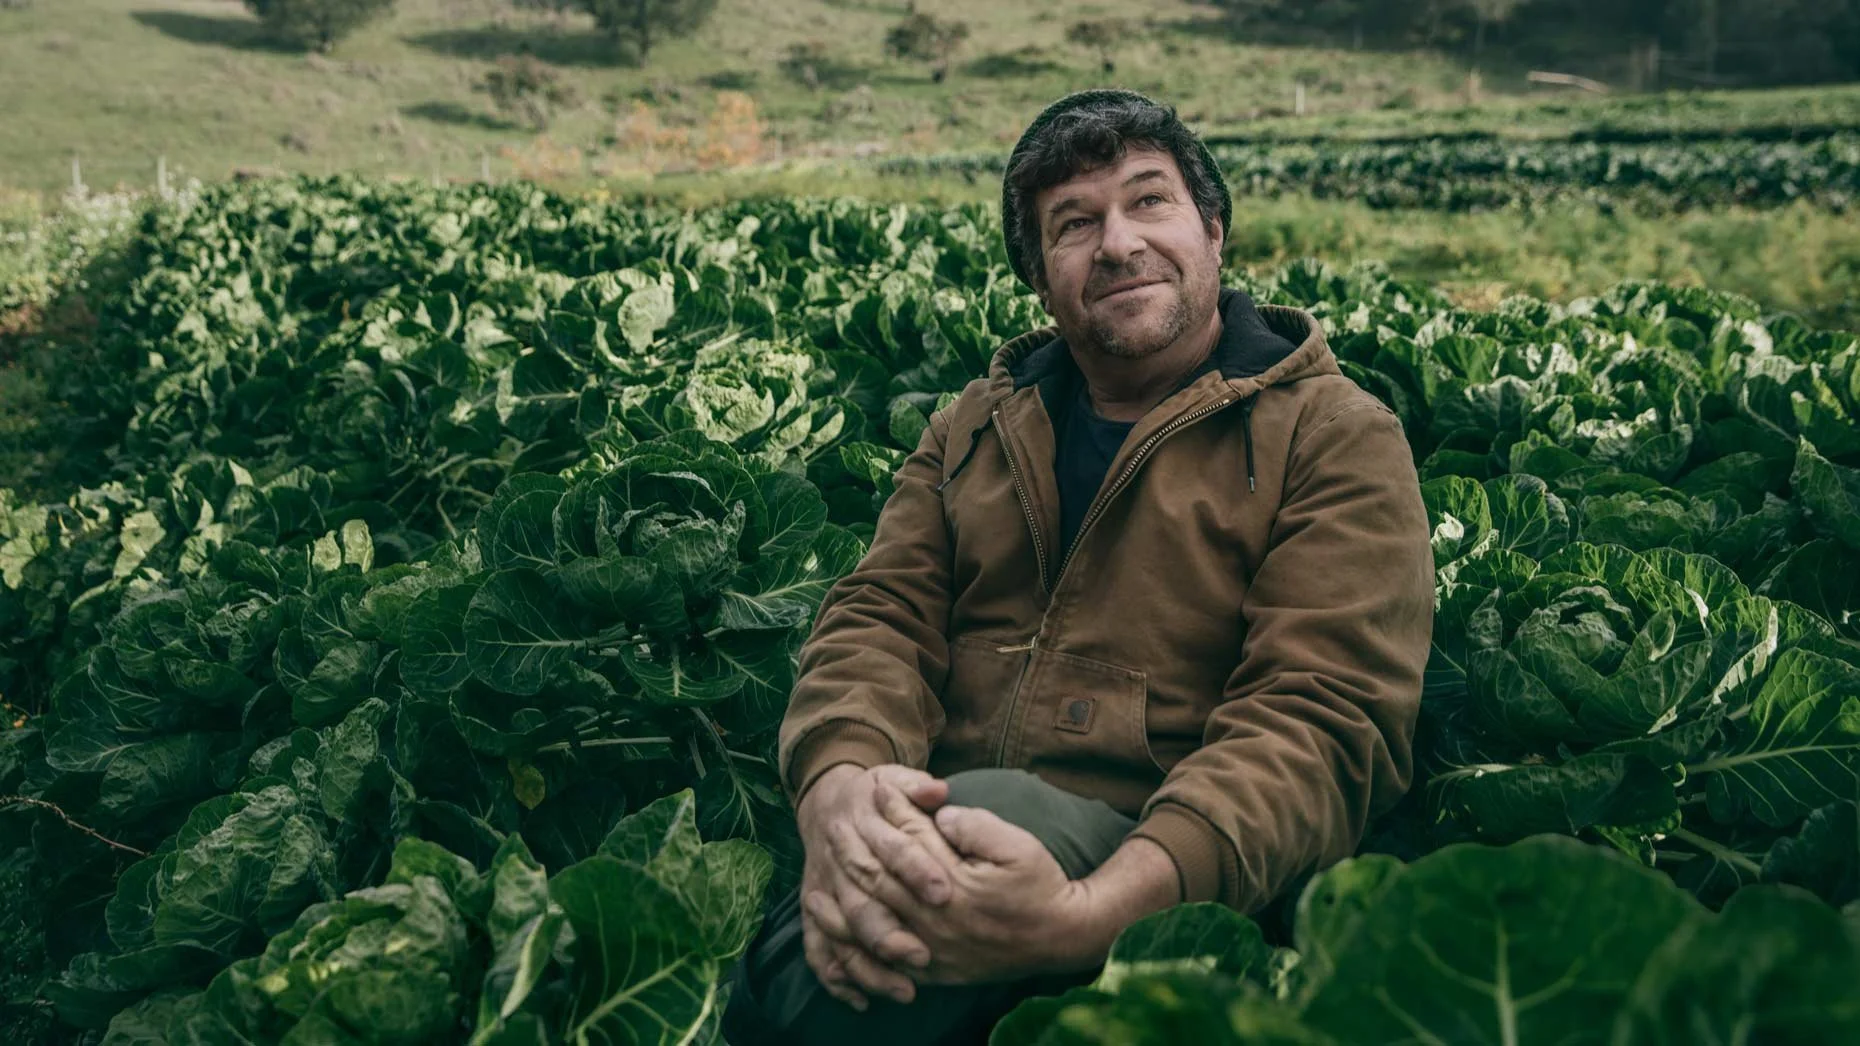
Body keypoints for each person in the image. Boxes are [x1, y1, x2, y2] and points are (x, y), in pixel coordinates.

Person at [721, 88, 1434, 1046]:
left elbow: (1322, 723)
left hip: (1163, 879)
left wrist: (1090, 912)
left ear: (1213, 233)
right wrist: (841, 788)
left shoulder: (1335, 436)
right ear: (1039, 278)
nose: (1118, 243)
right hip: (931, 828)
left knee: (914, 885)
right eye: (1074, 224)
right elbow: (878, 617)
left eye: (1150, 202)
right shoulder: (974, 423)